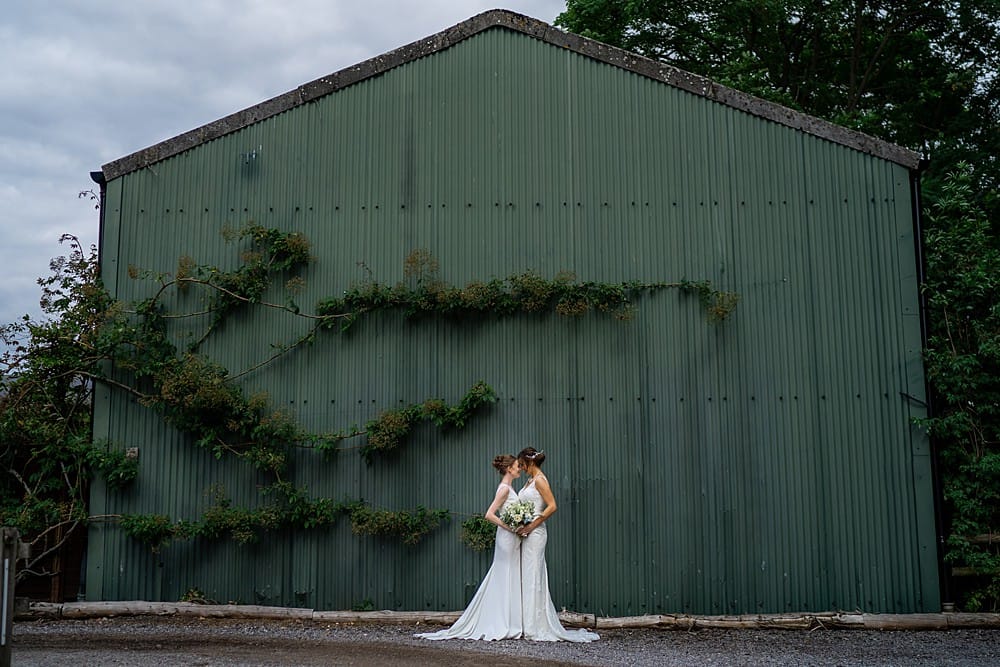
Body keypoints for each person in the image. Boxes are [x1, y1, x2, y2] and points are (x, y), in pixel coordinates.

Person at [416, 454, 525, 640]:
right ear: (509, 469)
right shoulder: (504, 490)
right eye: (516, 466)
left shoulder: (509, 488)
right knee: (504, 574)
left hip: (511, 537)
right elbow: (489, 514)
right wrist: (511, 528)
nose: (519, 469)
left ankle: (511, 620)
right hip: (507, 537)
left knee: (510, 575)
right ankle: (502, 621)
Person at [515, 447, 599, 642]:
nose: (521, 468)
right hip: (526, 531)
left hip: (535, 533)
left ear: (530, 462)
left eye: (522, 464)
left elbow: (552, 505)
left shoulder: (541, 480)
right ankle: (527, 622)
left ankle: (536, 625)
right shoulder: (529, 481)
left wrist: (531, 525)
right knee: (527, 575)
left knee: (535, 574)